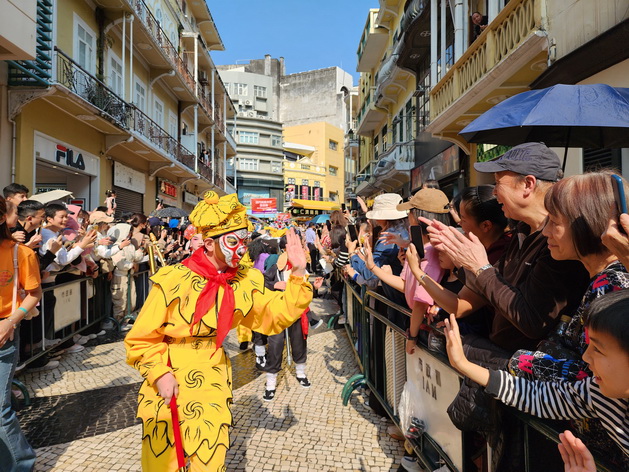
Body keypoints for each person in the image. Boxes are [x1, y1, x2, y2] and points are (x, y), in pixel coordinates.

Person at [125, 191, 313, 471]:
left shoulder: (242, 282)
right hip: (170, 369)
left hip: (212, 375)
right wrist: (160, 373)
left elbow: (274, 315)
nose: (241, 250)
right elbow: (141, 338)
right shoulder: (175, 279)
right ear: (209, 244)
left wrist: (297, 273)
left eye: (243, 242)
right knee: (164, 457)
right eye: (233, 242)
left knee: (209, 454)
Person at [411, 143, 590, 353]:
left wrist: (478, 266)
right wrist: (459, 255)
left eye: (498, 183)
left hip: (525, 367)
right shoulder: (521, 232)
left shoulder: (558, 244)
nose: (494, 192)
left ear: (528, 184)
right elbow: (489, 288)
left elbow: (531, 321)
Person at [442, 287, 629, 458]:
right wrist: (464, 365)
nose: (586, 357)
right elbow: (535, 396)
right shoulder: (599, 393)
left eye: (598, 350)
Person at [0, 195, 41, 471]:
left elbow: (34, 293)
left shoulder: (20, 253)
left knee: (0, 410)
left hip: (3, 335)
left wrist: (11, 321)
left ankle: (21, 464)